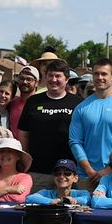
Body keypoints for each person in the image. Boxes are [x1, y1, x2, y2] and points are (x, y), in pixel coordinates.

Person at [69, 58, 112, 189]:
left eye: (104, 74)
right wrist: (89, 170)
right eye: (96, 74)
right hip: (87, 177)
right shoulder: (81, 108)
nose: (100, 77)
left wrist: (108, 169)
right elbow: (75, 141)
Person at [18, 59, 83, 193]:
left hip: (70, 173)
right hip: (38, 171)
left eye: (58, 76)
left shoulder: (78, 103)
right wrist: (26, 161)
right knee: (38, 209)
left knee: (69, 209)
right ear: (45, 77)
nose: (54, 80)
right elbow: (23, 134)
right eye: (50, 75)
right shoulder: (33, 101)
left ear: (67, 79)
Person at [26, 158, 91, 207]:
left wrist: (73, 200)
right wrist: (52, 201)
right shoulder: (45, 192)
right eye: (57, 173)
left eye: (67, 173)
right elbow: (29, 198)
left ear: (75, 178)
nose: (61, 177)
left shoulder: (81, 193)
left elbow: (87, 199)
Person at [6, 65, 39, 133]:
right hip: (13, 143)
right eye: (21, 78)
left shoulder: (41, 103)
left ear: (36, 83)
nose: (24, 82)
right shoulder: (12, 102)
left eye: (29, 79)